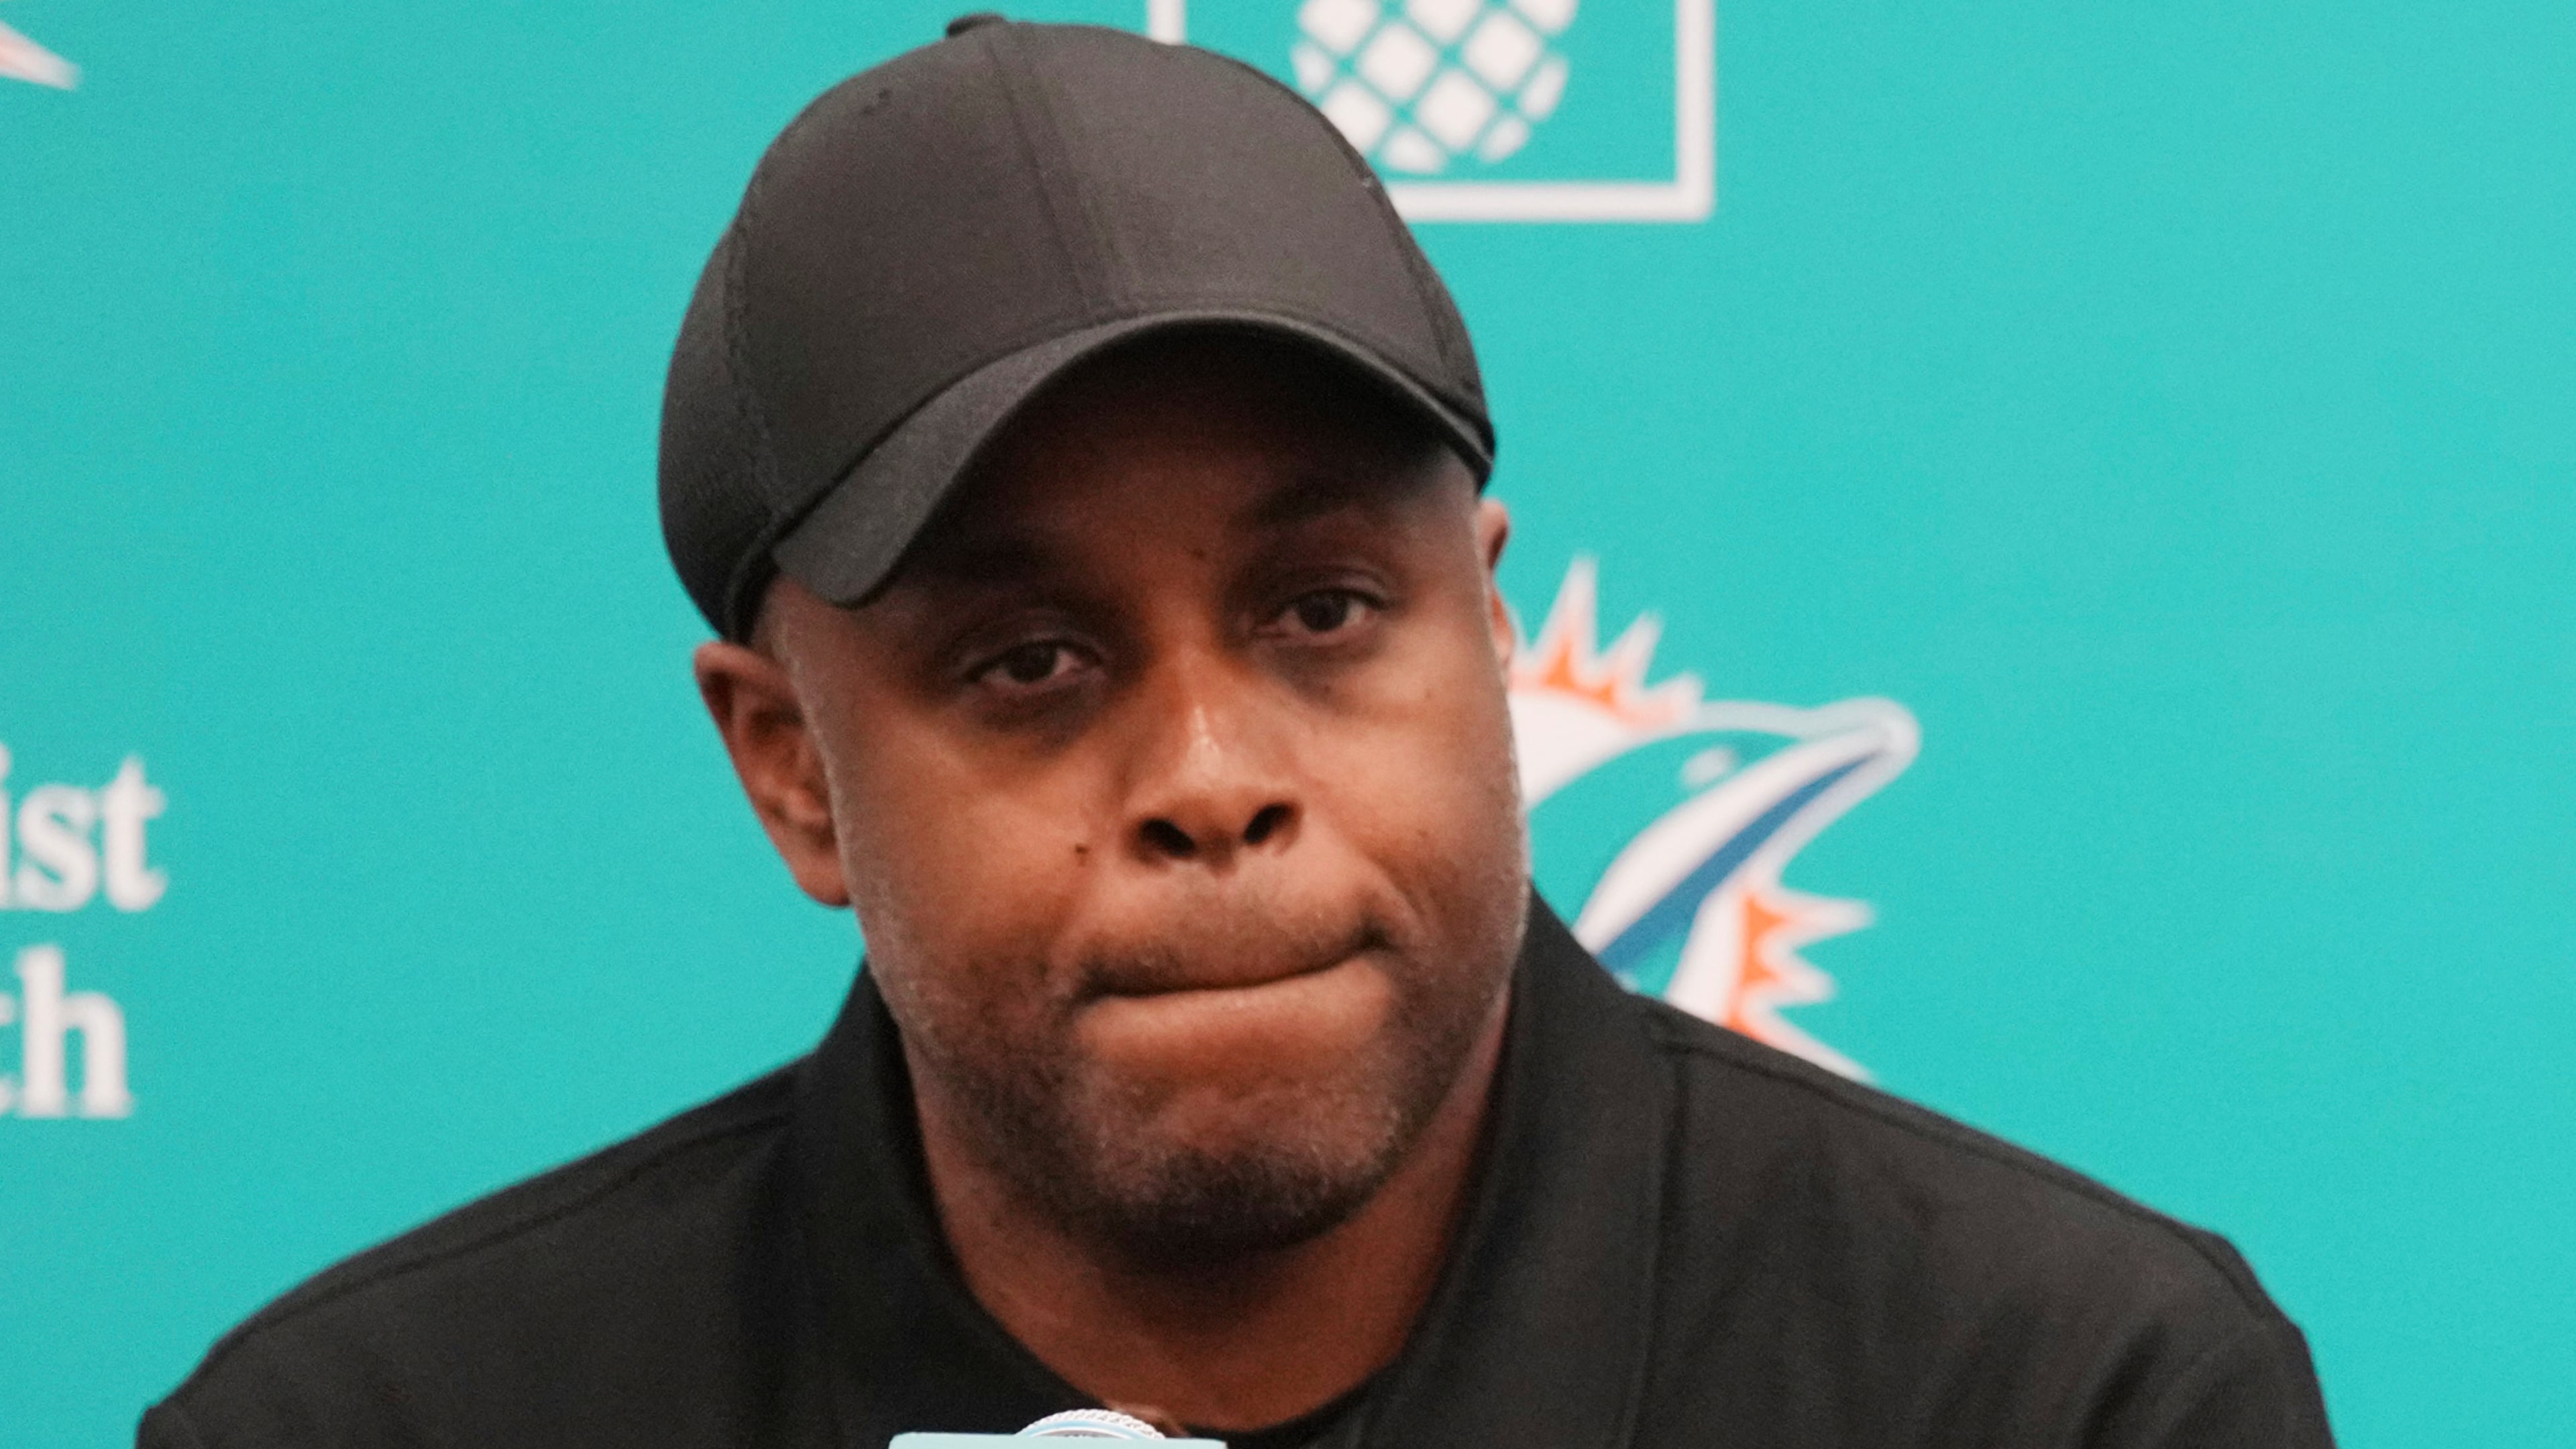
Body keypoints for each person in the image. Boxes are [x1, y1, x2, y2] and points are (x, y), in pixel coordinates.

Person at [140, 16, 2334, 1449]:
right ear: (791, 766)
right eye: (1029, 661)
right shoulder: (379, 1427)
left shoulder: (2066, 1397)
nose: (1211, 777)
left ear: (1488, 625)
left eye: (1322, 612)